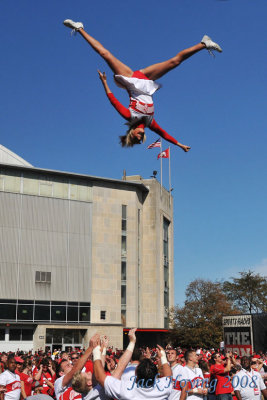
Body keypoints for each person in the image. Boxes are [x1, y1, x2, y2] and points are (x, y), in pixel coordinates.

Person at [63, 19, 222, 151]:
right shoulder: (150, 122)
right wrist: (179, 145)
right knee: (174, 62)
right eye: (141, 140)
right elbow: (164, 134)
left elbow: (113, 101)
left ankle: (79, 28)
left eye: (137, 139)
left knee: (105, 54)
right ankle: (204, 43)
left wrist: (104, 82)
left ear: (131, 133)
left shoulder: (130, 116)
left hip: (132, 79)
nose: (140, 138)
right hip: (145, 80)